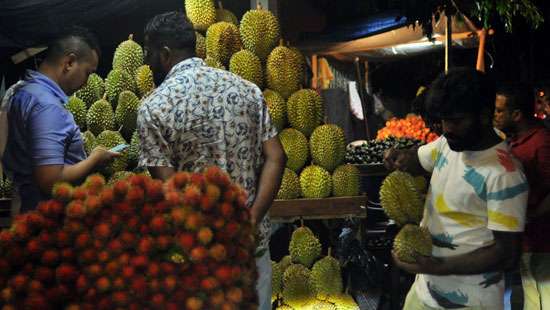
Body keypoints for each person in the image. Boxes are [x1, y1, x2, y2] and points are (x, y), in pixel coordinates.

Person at [137, 12, 286, 309]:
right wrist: (252, 219)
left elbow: (170, 187)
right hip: (249, 248)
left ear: (165, 54)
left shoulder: (153, 108)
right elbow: (277, 157)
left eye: (149, 54)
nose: (147, 62)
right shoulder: (248, 91)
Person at [384, 68, 528, 309]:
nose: (446, 128)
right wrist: (397, 157)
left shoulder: (505, 174)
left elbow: (506, 254)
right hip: (424, 292)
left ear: (483, 115)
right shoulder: (449, 144)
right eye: (443, 120)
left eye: (456, 120)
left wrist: (439, 267)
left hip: (471, 301)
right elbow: (417, 160)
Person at [0, 26, 118, 213]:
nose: (87, 82)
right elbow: (50, 181)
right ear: (69, 62)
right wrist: (95, 158)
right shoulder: (47, 106)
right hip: (47, 217)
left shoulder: (21, 92)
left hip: (26, 206)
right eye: (88, 72)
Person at [494, 84, 550, 309]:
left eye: (499, 111)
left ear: (516, 114)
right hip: (526, 241)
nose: (494, 115)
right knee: (532, 300)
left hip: (545, 242)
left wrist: (533, 214)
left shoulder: (542, 142)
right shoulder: (513, 142)